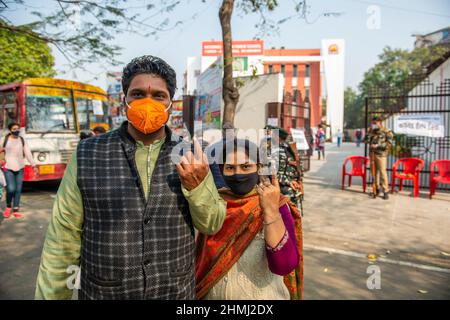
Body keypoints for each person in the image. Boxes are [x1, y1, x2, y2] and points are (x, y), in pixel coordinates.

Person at [35, 55, 227, 300]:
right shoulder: (87, 153)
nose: (148, 103)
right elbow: (62, 240)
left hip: (174, 293)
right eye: (138, 94)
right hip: (104, 292)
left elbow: (212, 224)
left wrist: (198, 187)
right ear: (124, 100)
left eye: (158, 96)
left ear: (171, 103)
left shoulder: (190, 155)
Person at [195, 138, 303, 300]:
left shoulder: (276, 204)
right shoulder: (214, 204)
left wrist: (271, 212)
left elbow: (283, 265)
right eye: (230, 168)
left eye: (246, 166)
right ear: (221, 170)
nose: (238, 173)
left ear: (259, 168)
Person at [0, 123, 39, 218]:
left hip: (20, 168)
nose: (17, 130)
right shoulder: (4, 140)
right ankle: (8, 206)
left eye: (18, 129)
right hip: (7, 167)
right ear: (10, 130)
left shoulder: (22, 140)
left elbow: (28, 153)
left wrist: (34, 165)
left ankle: (16, 209)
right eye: (14, 129)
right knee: (11, 188)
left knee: (18, 189)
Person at [366, 117, 393, 200]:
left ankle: (385, 191)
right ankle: (376, 189)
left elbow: (389, 143)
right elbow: (365, 140)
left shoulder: (387, 131)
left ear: (380, 122)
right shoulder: (372, 131)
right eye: (373, 123)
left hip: (381, 154)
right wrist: (369, 132)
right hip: (372, 154)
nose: (374, 125)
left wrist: (378, 145)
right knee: (374, 172)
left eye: (375, 123)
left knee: (382, 172)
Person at [276, 128, 303, 211]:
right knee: (293, 216)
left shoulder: (276, 150)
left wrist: (291, 182)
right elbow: (299, 169)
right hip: (293, 190)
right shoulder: (292, 148)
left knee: (285, 217)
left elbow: (272, 174)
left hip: (284, 190)